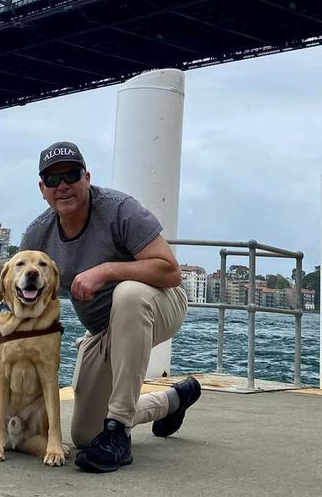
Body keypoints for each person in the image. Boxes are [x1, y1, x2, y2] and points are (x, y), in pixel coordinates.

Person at [18, 140, 201, 473]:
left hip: (160, 302)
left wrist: (106, 271)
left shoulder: (119, 209)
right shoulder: (36, 237)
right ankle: (173, 400)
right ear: (42, 189)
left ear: (86, 177)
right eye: (53, 180)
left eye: (71, 175)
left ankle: (118, 432)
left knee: (128, 294)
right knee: (86, 435)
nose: (63, 186)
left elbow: (170, 271)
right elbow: (25, 308)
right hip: (104, 330)